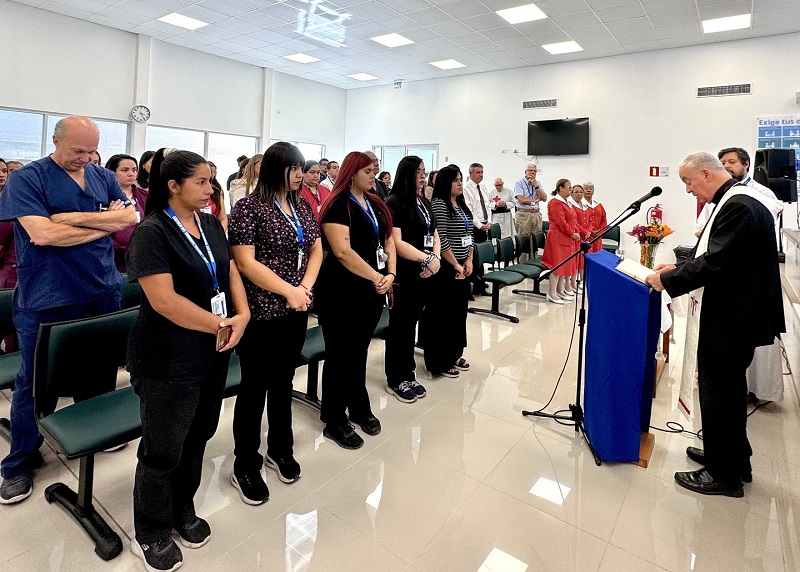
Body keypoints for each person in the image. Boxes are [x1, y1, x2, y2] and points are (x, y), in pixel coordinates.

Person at [0, 116, 137, 505]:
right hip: (50, 294)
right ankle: (19, 462)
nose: (85, 157)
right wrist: (105, 224)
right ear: (55, 140)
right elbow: (42, 234)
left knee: (97, 369)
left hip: (102, 288)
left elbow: (128, 221)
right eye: (77, 150)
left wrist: (72, 219)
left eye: (91, 150)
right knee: (34, 381)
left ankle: (92, 430)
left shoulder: (101, 177)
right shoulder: (28, 179)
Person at [126, 148, 249, 570]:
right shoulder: (153, 232)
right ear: (173, 186)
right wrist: (220, 326)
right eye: (200, 181)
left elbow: (229, 269)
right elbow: (163, 301)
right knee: (163, 448)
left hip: (211, 349)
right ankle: (152, 530)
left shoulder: (210, 221)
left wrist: (243, 312)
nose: (209, 188)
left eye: (211, 180)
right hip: (167, 356)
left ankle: (183, 508)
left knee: (198, 434)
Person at [645, 152, 783, 498]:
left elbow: (717, 262)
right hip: (736, 315)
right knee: (729, 393)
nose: (689, 191)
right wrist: (674, 270)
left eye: (688, 182)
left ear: (705, 174)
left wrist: (669, 280)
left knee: (719, 394)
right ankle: (736, 458)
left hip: (731, 320)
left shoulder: (739, 206)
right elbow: (714, 251)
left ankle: (724, 475)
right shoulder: (738, 200)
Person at [227, 142, 322, 504]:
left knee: (283, 382)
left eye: (302, 168)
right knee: (253, 388)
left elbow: (315, 248)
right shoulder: (248, 208)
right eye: (295, 169)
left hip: (294, 310)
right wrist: (289, 291)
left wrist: (304, 289)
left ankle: (280, 448)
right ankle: (245, 464)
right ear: (276, 169)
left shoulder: (300, 206)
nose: (302, 175)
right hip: (261, 312)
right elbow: (246, 263)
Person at [316, 151, 395, 449]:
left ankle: (358, 407)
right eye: (367, 171)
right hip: (342, 292)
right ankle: (334, 419)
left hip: (371, 291)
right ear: (351, 173)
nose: (373, 175)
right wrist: (377, 278)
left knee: (359, 351)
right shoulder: (338, 205)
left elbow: (388, 239)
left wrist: (390, 273)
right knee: (339, 355)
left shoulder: (374, 203)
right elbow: (343, 252)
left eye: (374, 171)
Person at [384, 156, 441, 403]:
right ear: (406, 173)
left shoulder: (424, 202)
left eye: (424, 171)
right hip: (405, 273)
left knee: (412, 324)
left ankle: (408, 372)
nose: (423, 175)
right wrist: (426, 260)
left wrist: (435, 260)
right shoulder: (394, 201)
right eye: (418, 171)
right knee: (400, 327)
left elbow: (434, 233)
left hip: (425, 271)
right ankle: (396, 378)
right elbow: (396, 241)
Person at [420, 165, 473, 378]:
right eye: (456, 180)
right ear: (445, 183)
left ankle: (454, 353)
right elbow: (440, 239)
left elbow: (469, 234)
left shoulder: (460, 204)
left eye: (460, 179)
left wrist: (468, 259)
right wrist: (456, 265)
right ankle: (438, 360)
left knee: (458, 314)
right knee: (442, 315)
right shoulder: (440, 205)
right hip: (446, 268)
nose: (460, 183)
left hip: (463, 264)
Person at [105, 154, 148, 272]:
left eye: (134, 170)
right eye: (125, 170)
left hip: (142, 256)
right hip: (114, 258)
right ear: (111, 172)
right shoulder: (103, 197)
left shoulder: (144, 196)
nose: (131, 174)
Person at [541, 179, 579, 304]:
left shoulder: (566, 202)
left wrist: (574, 232)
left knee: (564, 263)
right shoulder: (555, 203)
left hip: (566, 237)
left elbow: (572, 219)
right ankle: (551, 293)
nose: (571, 189)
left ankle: (560, 289)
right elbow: (560, 222)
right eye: (568, 187)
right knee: (557, 264)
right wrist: (571, 233)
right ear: (561, 188)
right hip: (558, 236)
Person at [462, 163, 491, 296]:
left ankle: (480, 285)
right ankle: (471, 287)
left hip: (485, 225)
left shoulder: (483, 188)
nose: (480, 175)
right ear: (471, 174)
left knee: (481, 257)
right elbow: (469, 211)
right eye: (478, 172)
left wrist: (489, 222)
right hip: (474, 227)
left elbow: (488, 206)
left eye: (482, 172)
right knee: (472, 258)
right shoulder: (467, 189)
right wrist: (480, 225)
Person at [514, 164, 548, 261]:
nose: (532, 172)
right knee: (524, 240)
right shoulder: (519, 183)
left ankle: (533, 264)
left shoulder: (538, 183)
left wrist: (535, 186)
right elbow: (521, 199)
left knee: (535, 240)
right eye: (530, 170)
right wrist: (535, 200)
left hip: (536, 214)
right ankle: (522, 265)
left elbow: (544, 198)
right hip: (523, 214)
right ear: (525, 172)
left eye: (534, 171)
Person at [568, 184, 590, 290]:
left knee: (583, 259)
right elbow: (574, 222)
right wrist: (584, 231)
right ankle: (572, 283)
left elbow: (590, 219)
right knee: (575, 260)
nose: (579, 194)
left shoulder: (584, 204)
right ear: (571, 193)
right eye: (576, 192)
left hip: (585, 236)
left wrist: (588, 231)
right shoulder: (570, 205)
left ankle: (582, 280)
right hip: (577, 235)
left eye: (581, 192)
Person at [583, 182, 607, 254]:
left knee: (597, 255)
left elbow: (603, 220)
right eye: (586, 188)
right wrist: (588, 231)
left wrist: (599, 231)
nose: (589, 190)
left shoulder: (598, 205)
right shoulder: (580, 204)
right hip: (585, 236)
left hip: (597, 236)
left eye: (591, 189)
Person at [205, 162, 228, 231]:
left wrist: (219, 234)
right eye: (210, 172)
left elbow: (223, 218)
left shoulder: (217, 191)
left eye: (214, 172)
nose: (212, 175)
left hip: (214, 229)